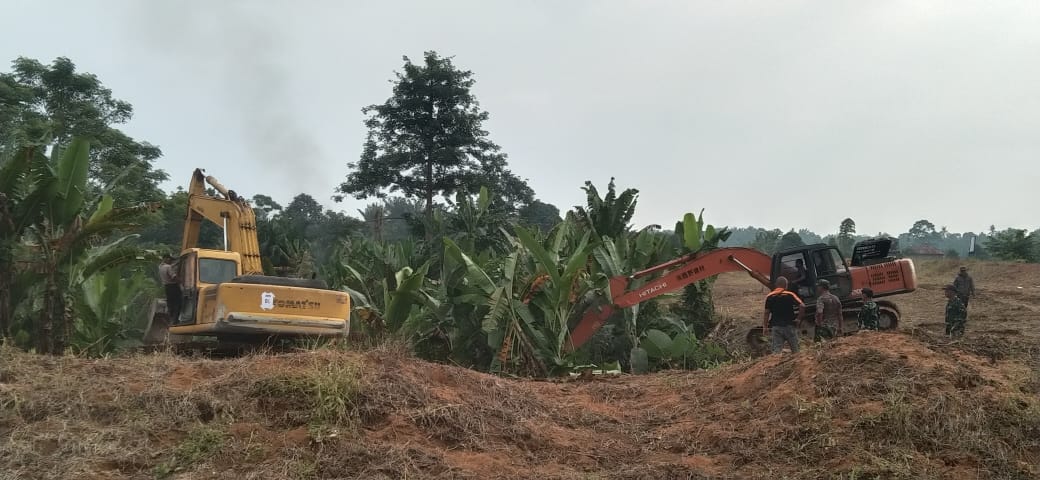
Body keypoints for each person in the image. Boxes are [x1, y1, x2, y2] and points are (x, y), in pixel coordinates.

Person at [763, 277, 805, 354]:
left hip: (776, 327)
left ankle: (776, 364)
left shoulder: (769, 296)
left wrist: (765, 327)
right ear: (786, 285)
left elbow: (766, 313)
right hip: (790, 326)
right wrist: (798, 319)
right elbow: (802, 306)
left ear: (776, 285)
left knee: (777, 351)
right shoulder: (790, 294)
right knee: (796, 350)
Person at [159, 254, 181, 321]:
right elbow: (173, 277)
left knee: (170, 303)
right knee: (178, 302)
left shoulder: (160, 267)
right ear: (166, 258)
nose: (171, 261)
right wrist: (180, 281)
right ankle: (176, 319)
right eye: (170, 259)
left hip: (167, 287)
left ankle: (171, 317)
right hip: (173, 286)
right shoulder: (168, 267)